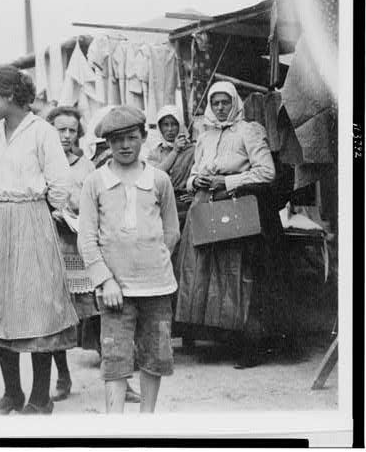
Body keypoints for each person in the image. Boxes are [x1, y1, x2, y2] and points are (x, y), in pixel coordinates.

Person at [0, 66, 79, 415]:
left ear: (10, 96)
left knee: (37, 307)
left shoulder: (41, 132)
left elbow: (61, 182)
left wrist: (41, 213)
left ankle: (40, 397)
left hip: (32, 219)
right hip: (1, 219)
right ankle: (12, 392)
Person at [78, 105, 180, 413]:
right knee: (116, 359)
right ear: (106, 143)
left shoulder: (159, 180)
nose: (125, 146)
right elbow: (87, 237)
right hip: (115, 292)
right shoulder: (95, 182)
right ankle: (116, 427)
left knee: (156, 355)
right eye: (117, 139)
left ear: (143, 137)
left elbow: (171, 231)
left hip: (157, 288)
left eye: (131, 138)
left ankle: (147, 421)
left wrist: (155, 265)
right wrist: (106, 280)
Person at [174, 81, 279, 368]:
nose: (220, 108)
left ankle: (248, 346)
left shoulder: (249, 130)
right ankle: (219, 338)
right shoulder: (205, 137)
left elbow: (267, 172)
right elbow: (192, 175)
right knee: (206, 274)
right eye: (216, 103)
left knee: (235, 275)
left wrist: (227, 181)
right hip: (205, 206)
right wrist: (197, 181)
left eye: (225, 102)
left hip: (235, 208)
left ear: (235, 103)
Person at [44, 106, 95, 402]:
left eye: (71, 130)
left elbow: (91, 200)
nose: (65, 136)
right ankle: (62, 374)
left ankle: (117, 375)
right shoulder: (41, 163)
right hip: (49, 246)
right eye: (60, 129)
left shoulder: (85, 166)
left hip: (75, 247)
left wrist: (75, 214)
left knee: (88, 309)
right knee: (55, 312)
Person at [144, 105, 196, 227]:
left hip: (185, 206)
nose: (170, 129)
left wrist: (195, 197)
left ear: (180, 126)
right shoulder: (155, 152)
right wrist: (175, 151)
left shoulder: (193, 150)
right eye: (165, 125)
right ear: (160, 128)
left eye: (174, 124)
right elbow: (155, 175)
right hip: (161, 207)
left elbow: (201, 175)